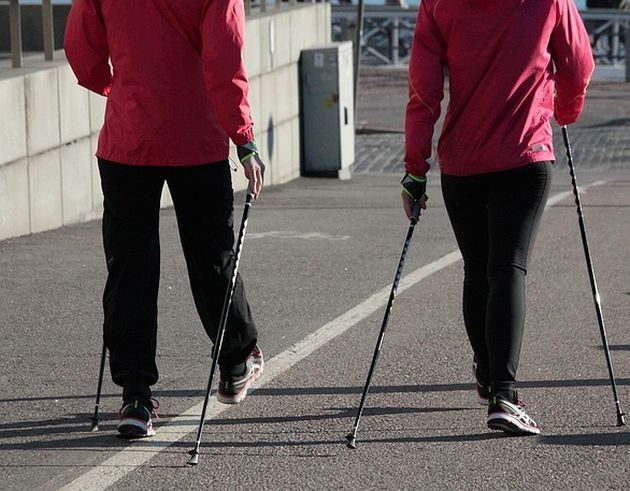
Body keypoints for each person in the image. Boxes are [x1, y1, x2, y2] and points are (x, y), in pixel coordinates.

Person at [64, 0, 265, 438]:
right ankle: (234, 357)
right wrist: (244, 138)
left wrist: (119, 88)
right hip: (197, 139)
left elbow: (81, 51)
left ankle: (135, 397)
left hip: (128, 138)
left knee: (129, 268)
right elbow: (223, 59)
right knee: (211, 256)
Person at [401, 0, 594, 435]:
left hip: (462, 161)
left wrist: (415, 168)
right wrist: (565, 110)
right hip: (526, 154)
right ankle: (504, 394)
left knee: (478, 268)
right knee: (507, 266)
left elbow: (423, 88)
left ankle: (489, 376)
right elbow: (579, 63)